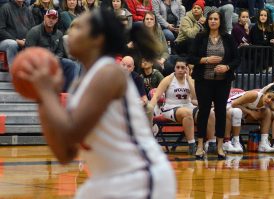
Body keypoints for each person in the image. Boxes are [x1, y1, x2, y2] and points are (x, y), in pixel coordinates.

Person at [17, 7, 175, 198]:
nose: (70, 32)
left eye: (78, 28)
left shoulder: (109, 73)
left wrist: (46, 92)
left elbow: (71, 132)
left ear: (97, 39)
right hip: (105, 179)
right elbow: (64, 154)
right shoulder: (79, 84)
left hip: (138, 175)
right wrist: (42, 98)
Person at [190, 10, 240, 159]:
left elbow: (237, 59)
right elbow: (190, 57)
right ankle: (200, 146)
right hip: (203, 81)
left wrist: (227, 67)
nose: (213, 21)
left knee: (221, 113)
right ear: (207, 21)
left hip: (222, 82)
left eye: (216, 19)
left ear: (220, 21)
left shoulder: (228, 38)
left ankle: (219, 146)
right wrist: (205, 60)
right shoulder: (200, 37)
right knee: (204, 112)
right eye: (210, 19)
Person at [149, 57, 197, 155]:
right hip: (170, 108)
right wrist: (149, 108)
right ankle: (192, 145)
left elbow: (195, 97)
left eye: (183, 67)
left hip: (187, 105)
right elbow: (157, 96)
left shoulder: (191, 80)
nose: (180, 70)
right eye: (178, 67)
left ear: (187, 69)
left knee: (210, 113)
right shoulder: (168, 79)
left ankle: (211, 143)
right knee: (186, 112)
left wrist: (188, 78)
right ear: (174, 68)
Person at [25, 9, 80, 91]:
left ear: (56, 20)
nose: (51, 20)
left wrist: (55, 59)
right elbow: (28, 52)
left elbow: (60, 51)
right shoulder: (34, 31)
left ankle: (65, 92)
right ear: (44, 17)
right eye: (49, 17)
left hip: (53, 60)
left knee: (70, 64)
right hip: (38, 62)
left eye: (53, 18)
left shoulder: (59, 33)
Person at [230, 84, 274, 153]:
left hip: (244, 114)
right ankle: (233, 141)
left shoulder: (268, 103)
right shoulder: (254, 95)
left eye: (272, 99)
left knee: (267, 112)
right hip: (230, 108)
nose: (269, 100)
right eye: (268, 96)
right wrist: (251, 112)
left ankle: (263, 144)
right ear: (265, 93)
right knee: (238, 112)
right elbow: (234, 104)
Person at [0, 0, 35, 68]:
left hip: (24, 41)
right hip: (5, 41)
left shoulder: (27, 10)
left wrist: (28, 39)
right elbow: (1, 30)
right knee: (12, 44)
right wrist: (17, 40)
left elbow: (33, 29)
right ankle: (14, 75)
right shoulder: (5, 8)